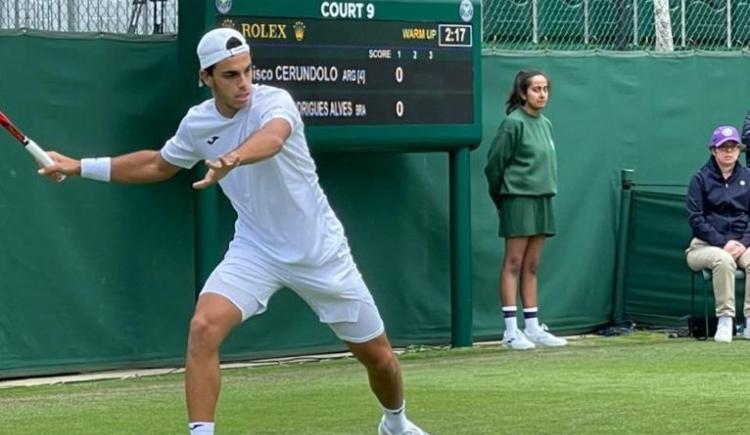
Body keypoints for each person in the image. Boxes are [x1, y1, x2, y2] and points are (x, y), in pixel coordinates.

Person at [39, 28, 428, 435]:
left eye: (247, 71)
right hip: (256, 249)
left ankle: (395, 423)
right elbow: (158, 164)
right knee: (203, 327)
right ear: (205, 78)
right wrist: (78, 166)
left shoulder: (275, 101)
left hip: (320, 253)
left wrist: (235, 157)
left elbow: (274, 138)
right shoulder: (197, 123)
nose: (244, 83)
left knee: (379, 358)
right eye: (230, 75)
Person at [483, 70, 568, 351]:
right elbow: (494, 165)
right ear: (523, 93)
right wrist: (502, 198)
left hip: (543, 199)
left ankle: (532, 327)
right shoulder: (513, 124)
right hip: (517, 199)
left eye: (545, 89)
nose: (542, 94)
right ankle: (510, 331)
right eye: (536, 89)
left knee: (532, 266)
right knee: (514, 263)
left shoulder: (547, 124)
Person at [686, 125, 750, 343]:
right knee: (723, 260)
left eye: (733, 147)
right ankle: (725, 319)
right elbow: (696, 218)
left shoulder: (747, 177)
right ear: (713, 150)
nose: (729, 152)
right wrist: (723, 243)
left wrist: (742, 243)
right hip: (703, 246)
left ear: (739, 150)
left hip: (742, 245)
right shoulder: (700, 179)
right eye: (723, 147)